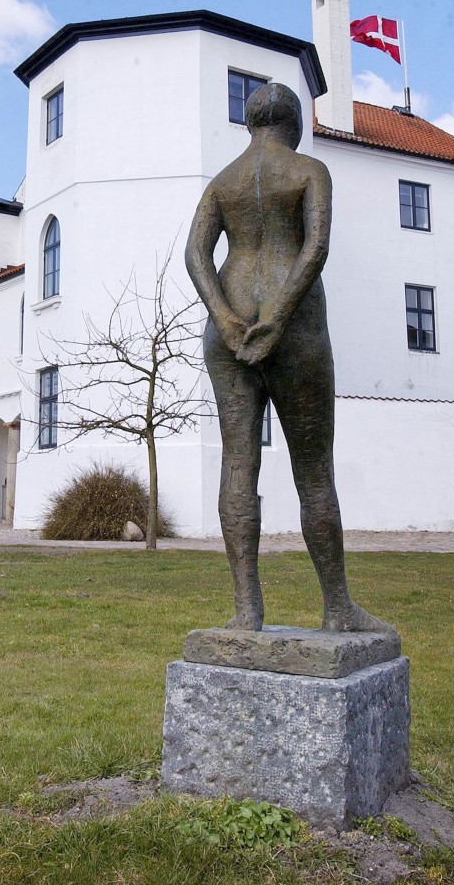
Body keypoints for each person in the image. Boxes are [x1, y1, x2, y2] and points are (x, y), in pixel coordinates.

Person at [185, 82, 386, 632]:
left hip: (227, 325)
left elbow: (195, 254)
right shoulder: (307, 171)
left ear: (248, 123)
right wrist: (276, 316)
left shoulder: (221, 182)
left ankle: (247, 610)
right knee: (315, 471)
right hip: (294, 326)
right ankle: (338, 607)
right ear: (292, 123)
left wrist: (226, 318)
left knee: (237, 465)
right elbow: (315, 245)